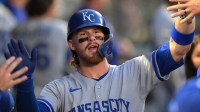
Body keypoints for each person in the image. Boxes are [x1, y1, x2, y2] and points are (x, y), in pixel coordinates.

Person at [6, 7, 196, 112]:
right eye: (84, 35)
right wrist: (24, 84)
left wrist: (186, 15)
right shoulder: (58, 89)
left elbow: (178, 49)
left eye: (97, 34)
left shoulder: (134, 70)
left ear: (106, 40)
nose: (92, 39)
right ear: (71, 44)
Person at [12, 0, 68, 96]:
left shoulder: (16, 29)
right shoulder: (62, 28)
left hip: (19, 94)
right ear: (49, 6)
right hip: (52, 95)